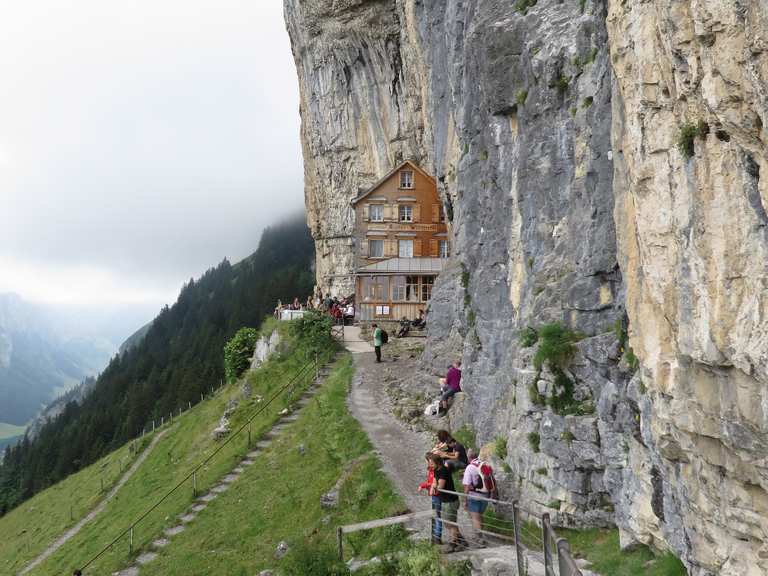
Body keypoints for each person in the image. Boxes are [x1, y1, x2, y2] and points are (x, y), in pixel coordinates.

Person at [430, 453, 461, 552]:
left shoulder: (443, 470)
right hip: (446, 500)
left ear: (436, 462)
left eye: (431, 462)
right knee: (449, 522)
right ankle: (459, 540)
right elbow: (435, 481)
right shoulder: (436, 470)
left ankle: (454, 543)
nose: (430, 464)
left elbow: (440, 486)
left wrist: (435, 487)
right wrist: (435, 485)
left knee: (449, 523)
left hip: (450, 500)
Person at [462, 449, 489, 546]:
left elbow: (466, 485)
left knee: (475, 518)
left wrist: (464, 500)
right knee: (480, 516)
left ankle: (480, 539)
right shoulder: (484, 465)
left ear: (469, 457)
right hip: (486, 496)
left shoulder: (470, 467)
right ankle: (481, 535)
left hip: (474, 496)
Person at [418, 452, 441, 544]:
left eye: (428, 461)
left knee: (437, 516)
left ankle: (437, 537)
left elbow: (433, 483)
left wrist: (423, 485)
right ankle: (436, 536)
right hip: (434, 495)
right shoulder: (431, 470)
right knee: (436, 516)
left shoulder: (435, 471)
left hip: (437, 495)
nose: (427, 463)